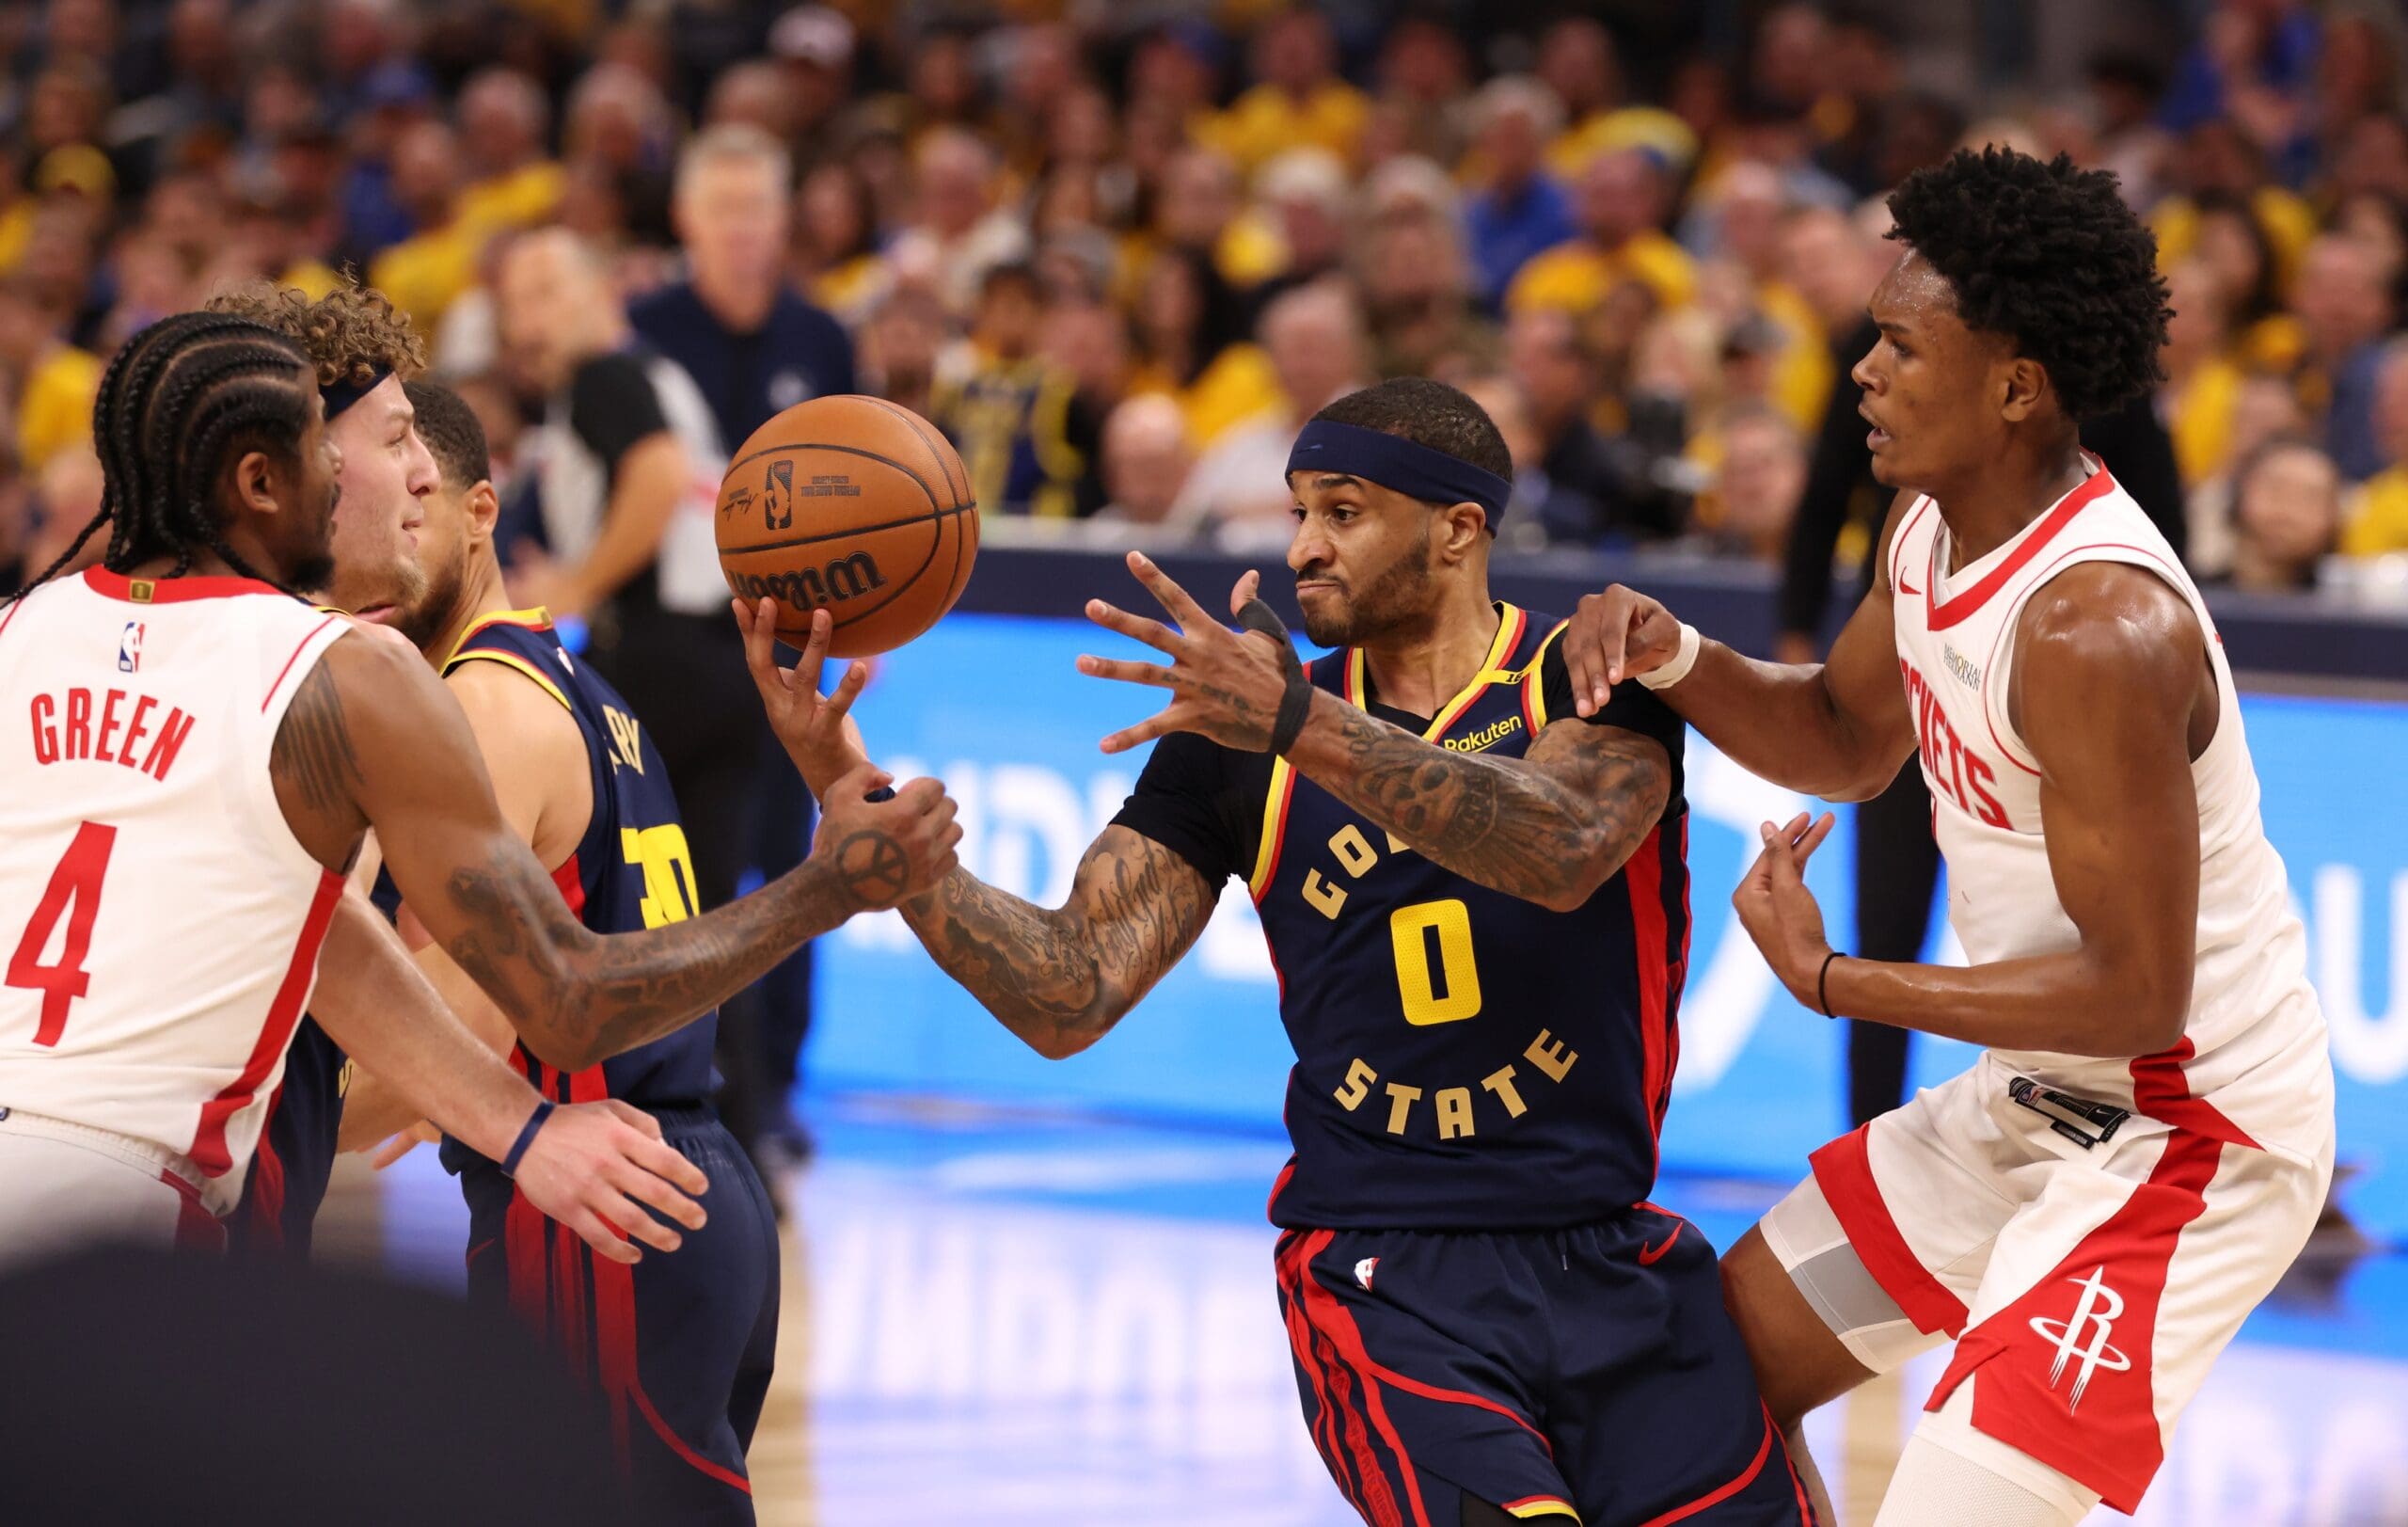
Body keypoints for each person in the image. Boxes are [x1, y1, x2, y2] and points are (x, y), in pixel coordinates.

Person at [742, 377, 1811, 1526]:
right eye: (1298, 511)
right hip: (1387, 1276)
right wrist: (877, 827)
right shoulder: (1237, 741)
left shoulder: (1582, 677)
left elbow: (1559, 849)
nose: (1302, 546)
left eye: (1341, 513)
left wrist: (1296, 724)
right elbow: (1068, 990)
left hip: (1612, 1257)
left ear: (1458, 530)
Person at [1565, 149, 2335, 1527]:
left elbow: (2135, 994)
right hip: (2036, 1095)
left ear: (2016, 386)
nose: (1861, 369)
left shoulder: (2095, 625)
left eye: (1901, 344)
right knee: (1702, 1376)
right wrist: (1676, 652)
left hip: (2187, 1134)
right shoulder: (1926, 529)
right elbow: (1848, 741)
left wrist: (1833, 978)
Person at [0, 311, 955, 1273]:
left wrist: (516, 1127)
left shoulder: (17, 632)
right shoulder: (347, 675)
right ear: (261, 482)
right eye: (380, 445)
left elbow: (321, 932)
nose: (424, 470)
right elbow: (568, 1000)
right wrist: (827, 887)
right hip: (126, 1226)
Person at [339, 379, 785, 1522]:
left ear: (484, 511)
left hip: (600, 1205)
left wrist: (224, 1135)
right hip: (689, 1178)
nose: (379, 553)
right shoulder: (589, 690)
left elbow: (440, 1042)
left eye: (412, 509)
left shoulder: (479, 709)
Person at [630, 121, 858, 1166]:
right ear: (686, 220)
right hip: (673, 650)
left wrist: (864, 619)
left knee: (795, 862)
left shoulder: (823, 340)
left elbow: (868, 498)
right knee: (684, 873)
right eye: (722, 210)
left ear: (783, 220)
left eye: (757, 210)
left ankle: (773, 1097)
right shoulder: (641, 333)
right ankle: (680, 1077)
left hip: (795, 651)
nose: (741, 232)